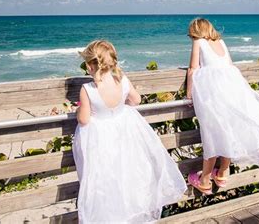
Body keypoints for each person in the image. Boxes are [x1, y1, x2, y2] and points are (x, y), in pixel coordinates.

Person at [73, 40, 187, 222]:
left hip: (102, 142)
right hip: (125, 136)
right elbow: (136, 100)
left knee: (107, 181)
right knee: (130, 177)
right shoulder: (122, 80)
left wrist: (78, 109)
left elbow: (84, 119)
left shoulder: (87, 89)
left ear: (89, 66)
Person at [185, 18, 259, 195]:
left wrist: (189, 93)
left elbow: (193, 69)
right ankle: (223, 173)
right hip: (233, 92)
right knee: (230, 131)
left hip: (214, 95)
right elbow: (230, 66)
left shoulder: (199, 42)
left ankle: (204, 180)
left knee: (213, 134)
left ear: (195, 31)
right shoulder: (222, 43)